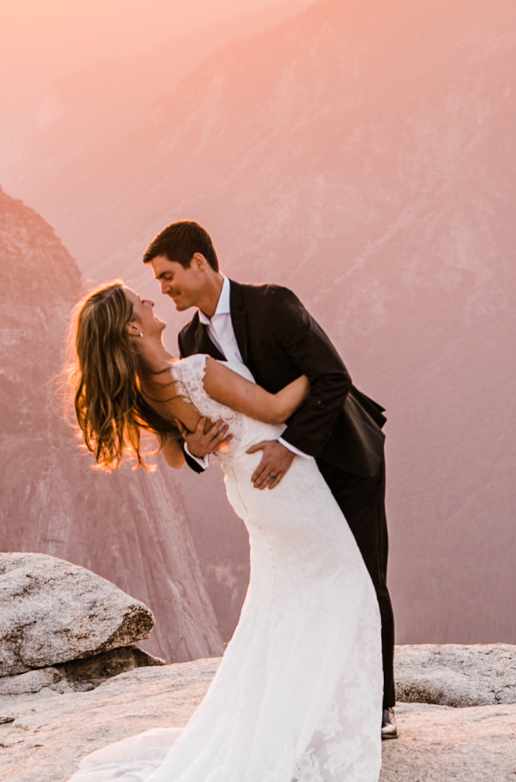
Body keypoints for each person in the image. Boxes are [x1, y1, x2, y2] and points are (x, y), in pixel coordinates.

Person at [46, 278, 382, 782]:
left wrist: (193, 437)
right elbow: (277, 410)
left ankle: (297, 727)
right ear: (130, 327)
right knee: (343, 586)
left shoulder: (150, 388)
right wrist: (328, 371)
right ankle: (323, 730)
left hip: (250, 494)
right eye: (140, 303)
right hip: (284, 486)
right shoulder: (194, 369)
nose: (153, 304)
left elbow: (178, 454)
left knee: (283, 605)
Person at [146, 220, 396, 736]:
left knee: (364, 578)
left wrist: (288, 447)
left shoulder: (272, 303)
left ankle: (379, 706)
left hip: (343, 458)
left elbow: (332, 376)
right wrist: (194, 451)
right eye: (158, 283)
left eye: (168, 276)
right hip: (284, 490)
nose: (164, 289)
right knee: (310, 584)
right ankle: (321, 700)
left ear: (199, 261)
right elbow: (202, 426)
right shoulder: (192, 340)